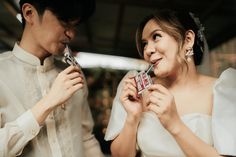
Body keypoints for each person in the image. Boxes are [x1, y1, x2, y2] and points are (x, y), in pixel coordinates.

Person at [105, 9, 236, 157]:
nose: (147, 50)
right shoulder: (136, 88)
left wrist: (175, 125)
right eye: (144, 44)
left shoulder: (223, 90)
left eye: (156, 36)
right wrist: (132, 117)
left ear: (188, 40)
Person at [0, 0, 104, 157]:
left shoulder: (73, 74)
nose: (71, 34)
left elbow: (86, 139)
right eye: (64, 21)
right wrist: (48, 103)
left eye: (74, 25)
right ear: (29, 13)